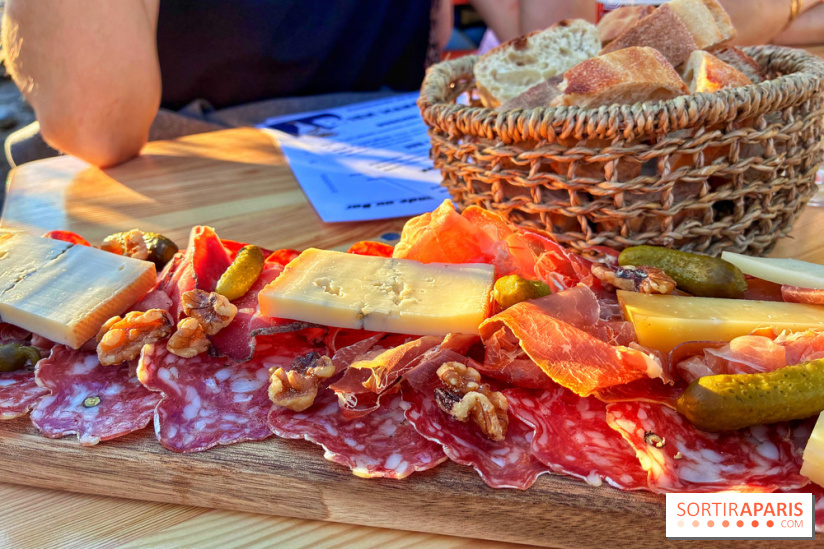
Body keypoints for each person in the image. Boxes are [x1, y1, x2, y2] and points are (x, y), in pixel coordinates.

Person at [3, 0, 823, 169]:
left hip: (405, 161)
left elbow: (553, 38)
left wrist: (714, 16)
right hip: (186, 179)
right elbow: (96, 120)